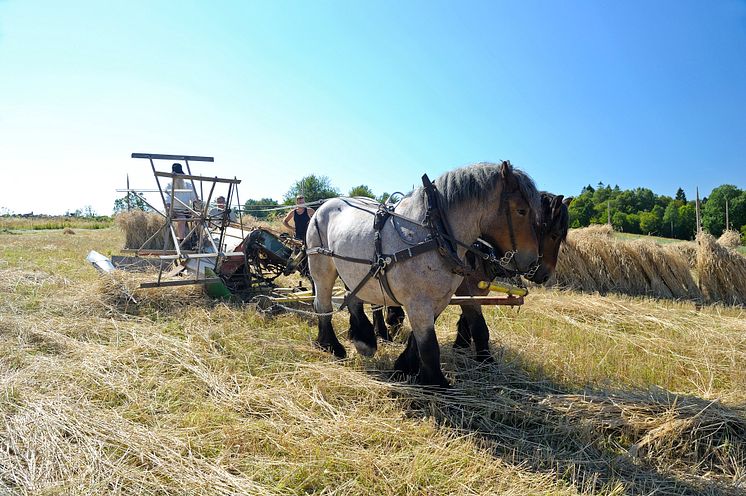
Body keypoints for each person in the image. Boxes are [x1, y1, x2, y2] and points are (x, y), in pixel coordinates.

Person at [165, 163, 197, 243]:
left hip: (187, 210)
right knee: (182, 218)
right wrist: (168, 209)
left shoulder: (188, 185)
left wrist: (198, 207)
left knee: (199, 218)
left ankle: (196, 238)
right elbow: (167, 200)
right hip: (175, 210)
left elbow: (194, 199)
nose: (179, 177)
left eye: (180, 175)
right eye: (177, 175)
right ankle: (182, 241)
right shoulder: (169, 185)